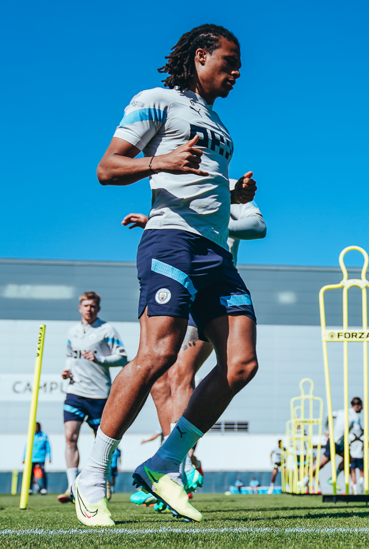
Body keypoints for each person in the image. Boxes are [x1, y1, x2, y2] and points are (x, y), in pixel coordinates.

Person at [72, 23, 258, 527]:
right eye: (230, 61)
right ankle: (92, 475)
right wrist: (163, 161)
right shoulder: (155, 100)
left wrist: (232, 196)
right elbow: (108, 168)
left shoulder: (220, 125)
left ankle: (165, 462)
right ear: (201, 56)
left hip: (215, 251)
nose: (237, 72)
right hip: (170, 240)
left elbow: (200, 181)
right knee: (157, 355)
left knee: (241, 363)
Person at [123, 203, 265, 504]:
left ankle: (176, 467)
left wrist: (211, 227)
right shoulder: (184, 184)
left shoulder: (233, 189)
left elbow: (257, 228)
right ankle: (170, 463)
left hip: (213, 294)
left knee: (181, 373)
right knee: (161, 382)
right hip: (181, 285)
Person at [57, 291, 128, 504]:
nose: (89, 309)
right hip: (75, 392)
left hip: (99, 395)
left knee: (102, 443)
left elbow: (123, 358)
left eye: (93, 306)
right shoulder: (73, 331)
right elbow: (71, 357)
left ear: (98, 308)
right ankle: (72, 486)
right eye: (85, 305)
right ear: (79, 308)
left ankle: (103, 481)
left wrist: (100, 359)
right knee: (70, 437)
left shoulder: (107, 329)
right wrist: (67, 370)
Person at [314, 397, 364, 489]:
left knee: (349, 459)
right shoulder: (355, 417)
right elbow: (358, 431)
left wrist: (326, 429)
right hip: (335, 443)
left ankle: (334, 478)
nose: (362, 409)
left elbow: (327, 415)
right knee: (320, 464)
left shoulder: (342, 412)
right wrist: (363, 431)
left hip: (339, 443)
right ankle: (304, 479)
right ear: (357, 406)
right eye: (361, 406)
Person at [22, 422, 52, 495]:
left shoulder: (44, 436)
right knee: (30, 474)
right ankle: (30, 489)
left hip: (41, 458)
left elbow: (48, 447)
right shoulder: (31, 436)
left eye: (37, 427)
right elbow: (26, 448)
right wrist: (24, 458)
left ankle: (44, 488)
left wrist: (50, 457)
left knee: (42, 474)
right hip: (31, 458)